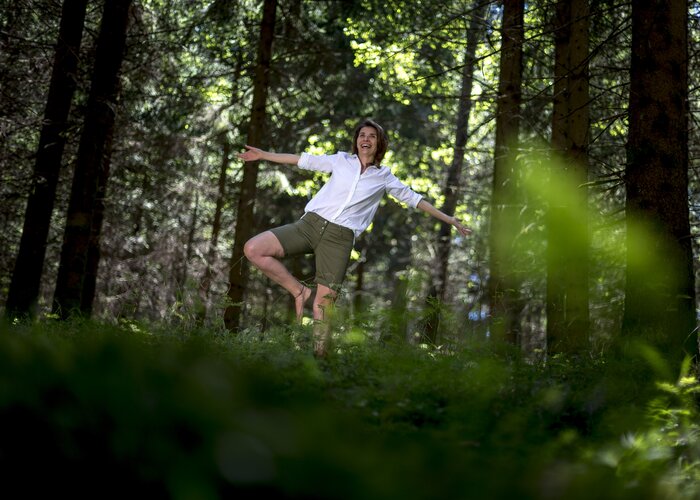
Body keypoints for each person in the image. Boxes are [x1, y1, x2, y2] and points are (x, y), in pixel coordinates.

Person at [239, 118, 471, 356]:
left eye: (372, 136)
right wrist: (263, 155)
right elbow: (302, 159)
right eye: (362, 135)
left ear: (379, 143)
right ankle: (300, 292)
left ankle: (320, 361)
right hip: (309, 225)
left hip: (339, 239)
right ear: (356, 141)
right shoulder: (341, 160)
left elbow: (414, 199)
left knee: (324, 305)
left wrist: (450, 220)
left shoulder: (384, 177)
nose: (366, 139)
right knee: (253, 249)